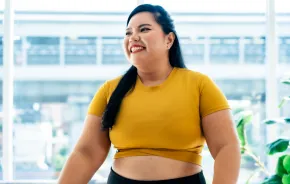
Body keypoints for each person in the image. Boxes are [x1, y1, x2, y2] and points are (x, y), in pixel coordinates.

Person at [58, 4, 241, 184]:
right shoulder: (109, 90)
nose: (133, 37)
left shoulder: (199, 85)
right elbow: (87, 154)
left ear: (169, 40)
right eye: (128, 32)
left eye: (144, 29)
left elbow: (226, 147)